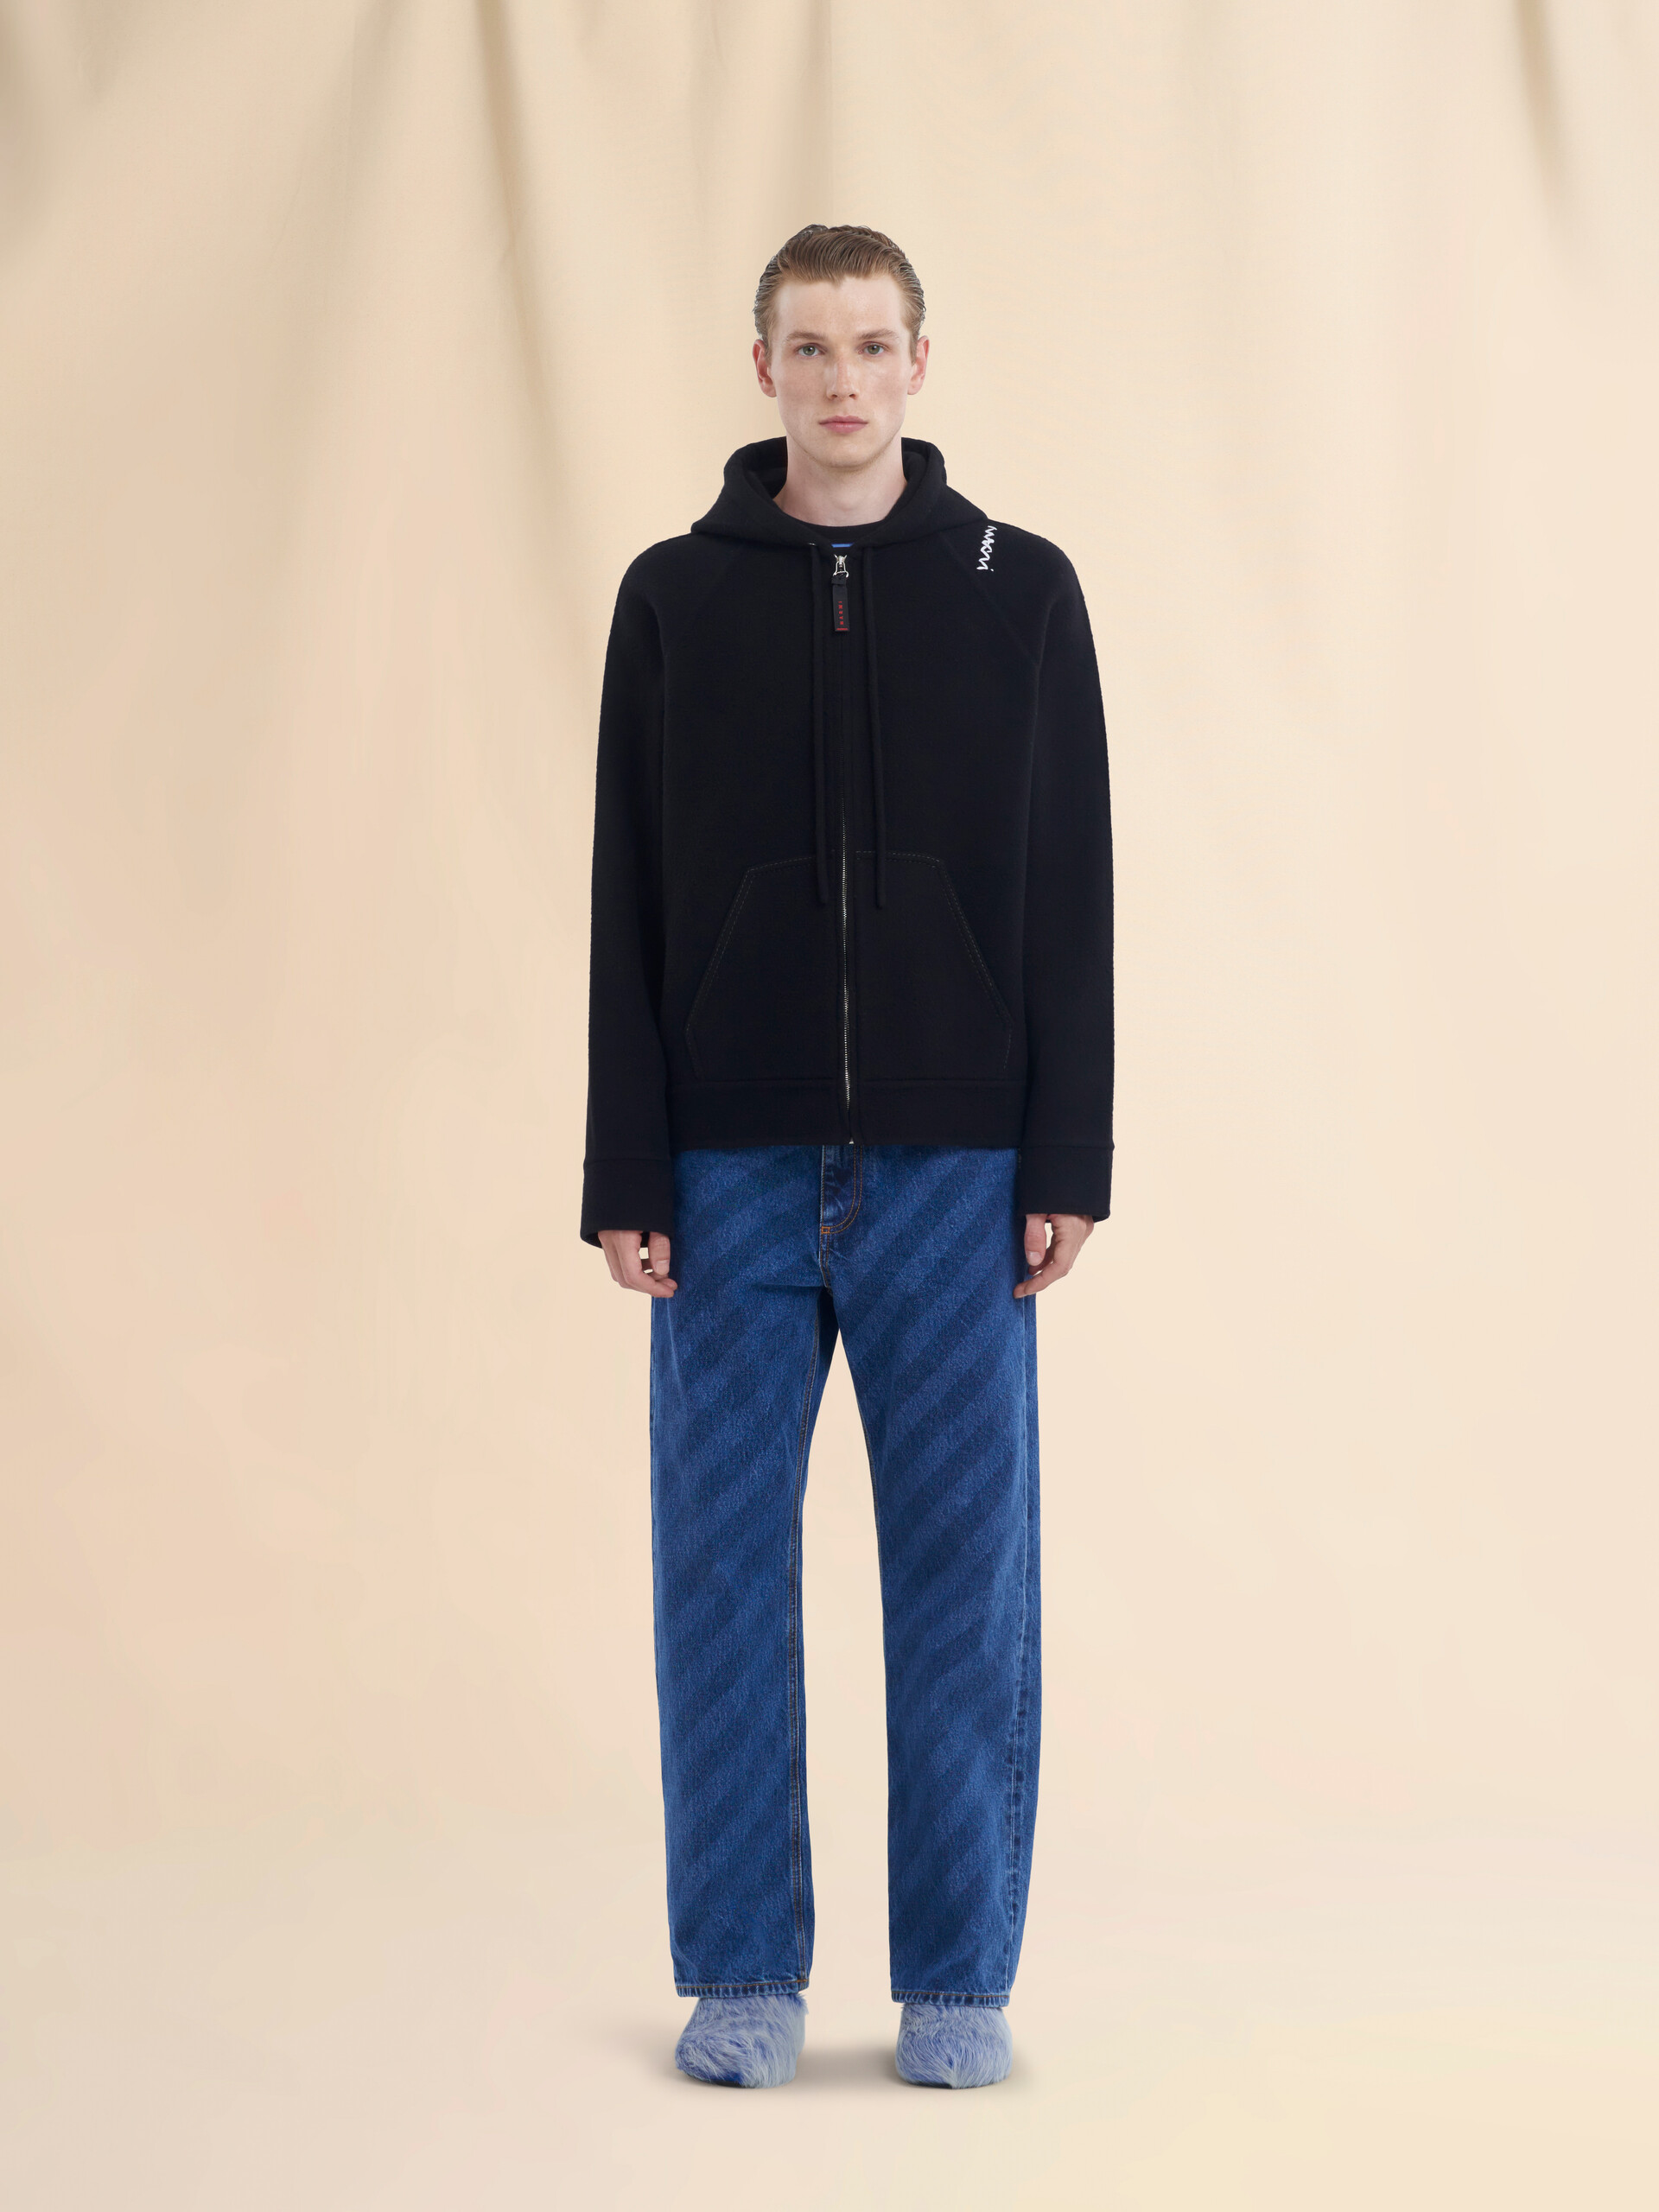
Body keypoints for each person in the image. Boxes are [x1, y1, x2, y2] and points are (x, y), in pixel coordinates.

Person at [580, 224, 1113, 2089]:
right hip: (725, 1165)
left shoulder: (1018, 590)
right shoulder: (673, 597)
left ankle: (957, 1980)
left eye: (871, 345)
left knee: (964, 1581)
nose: (840, 379)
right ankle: (742, 1965)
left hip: (960, 1167)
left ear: (918, 365)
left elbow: (1070, 888)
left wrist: (1067, 1151)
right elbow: (627, 893)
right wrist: (627, 1169)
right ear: (763, 370)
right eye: (808, 346)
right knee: (722, 1579)